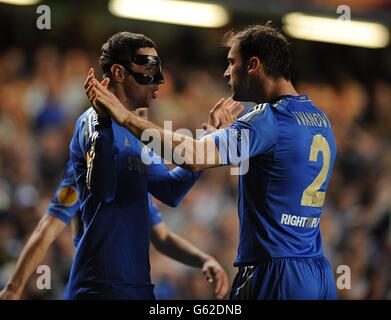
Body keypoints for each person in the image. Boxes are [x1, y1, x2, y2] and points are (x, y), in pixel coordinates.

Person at [85, 23, 338, 300]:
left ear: (253, 65)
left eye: (232, 62)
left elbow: (193, 157)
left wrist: (124, 117)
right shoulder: (319, 119)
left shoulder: (267, 120)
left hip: (275, 272)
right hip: (318, 272)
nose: (226, 72)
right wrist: (214, 134)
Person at [69, 31, 242, 300]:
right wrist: (104, 123)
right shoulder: (92, 121)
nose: (159, 80)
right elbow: (103, 191)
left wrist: (210, 139)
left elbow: (170, 191)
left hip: (138, 286)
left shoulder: (137, 132)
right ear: (118, 72)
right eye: (149, 70)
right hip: (99, 287)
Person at [0, 160, 229, 300]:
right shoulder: (83, 169)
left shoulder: (135, 177)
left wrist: (203, 259)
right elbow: (47, 229)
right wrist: (14, 287)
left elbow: (162, 237)